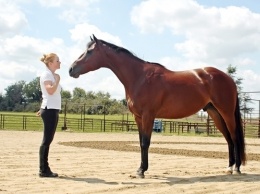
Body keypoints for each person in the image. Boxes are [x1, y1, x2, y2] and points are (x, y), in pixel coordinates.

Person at [36, 53, 61, 178]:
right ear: (50, 63)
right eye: (57, 60)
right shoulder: (47, 74)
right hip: (50, 110)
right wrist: (57, 80)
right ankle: (43, 169)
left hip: (52, 109)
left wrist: (42, 108)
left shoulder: (51, 74)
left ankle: (44, 169)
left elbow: (46, 94)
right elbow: (50, 90)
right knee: (47, 140)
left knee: (48, 139)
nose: (59, 62)